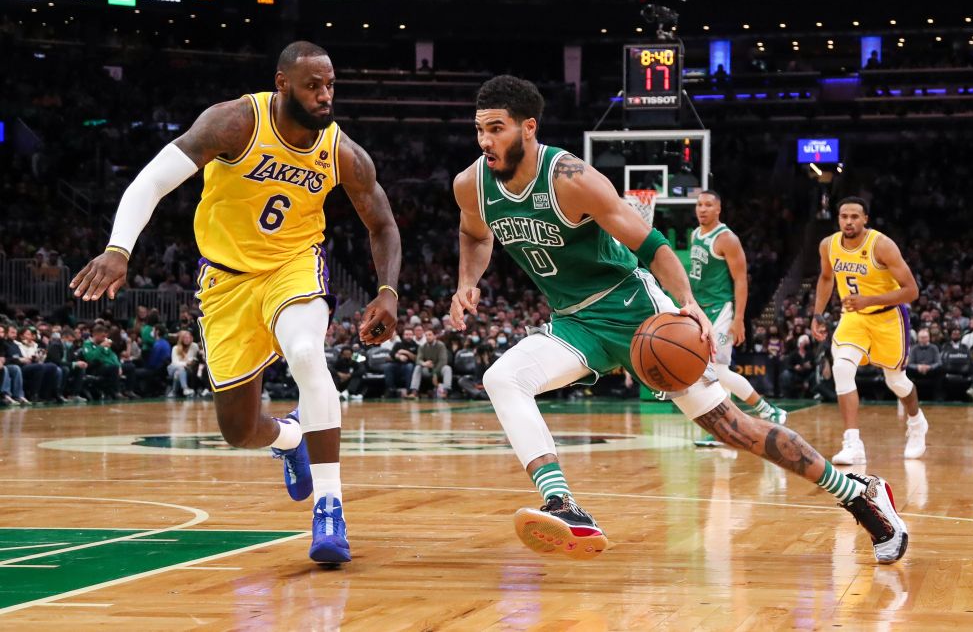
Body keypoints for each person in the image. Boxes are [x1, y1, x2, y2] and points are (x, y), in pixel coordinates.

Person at [450, 75, 907, 564]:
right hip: (573, 323)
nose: (484, 141)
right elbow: (475, 237)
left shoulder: (571, 180)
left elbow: (652, 245)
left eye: (495, 129)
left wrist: (686, 303)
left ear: (528, 128)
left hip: (635, 311)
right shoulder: (471, 185)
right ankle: (564, 505)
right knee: (503, 377)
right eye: (479, 130)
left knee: (730, 427)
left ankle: (859, 492)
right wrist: (466, 281)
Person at [70, 40, 401, 564]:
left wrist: (388, 290)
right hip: (225, 280)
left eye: (331, 85)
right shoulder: (235, 123)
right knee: (238, 429)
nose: (325, 96)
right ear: (283, 83)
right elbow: (152, 180)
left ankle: (330, 506)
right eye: (313, 85)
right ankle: (290, 439)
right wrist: (118, 248)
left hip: (293, 267)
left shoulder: (341, 152)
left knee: (308, 355)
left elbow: (381, 224)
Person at [812, 197, 928, 464]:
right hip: (853, 318)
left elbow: (911, 291)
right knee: (841, 368)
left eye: (854, 217)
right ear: (838, 218)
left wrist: (869, 300)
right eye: (844, 216)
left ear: (865, 219)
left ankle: (916, 422)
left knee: (896, 382)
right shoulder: (828, 245)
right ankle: (853, 443)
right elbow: (827, 278)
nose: (849, 221)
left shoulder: (882, 245)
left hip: (888, 318)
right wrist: (817, 314)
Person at [686, 191, 786, 447]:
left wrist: (739, 318)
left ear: (718, 209)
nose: (703, 209)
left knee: (718, 370)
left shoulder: (727, 238)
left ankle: (767, 410)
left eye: (708, 205)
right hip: (702, 309)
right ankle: (724, 429)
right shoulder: (695, 235)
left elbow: (741, 279)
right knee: (715, 373)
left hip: (722, 309)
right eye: (699, 204)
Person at [168, 329, 200, 398]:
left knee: (178, 372)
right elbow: (174, 362)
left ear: (192, 338)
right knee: (179, 369)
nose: (187, 339)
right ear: (181, 339)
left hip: (187, 370)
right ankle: (185, 389)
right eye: (185, 338)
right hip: (172, 368)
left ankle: (174, 391)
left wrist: (189, 362)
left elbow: (194, 359)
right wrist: (186, 363)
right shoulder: (175, 348)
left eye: (188, 338)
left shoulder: (194, 346)